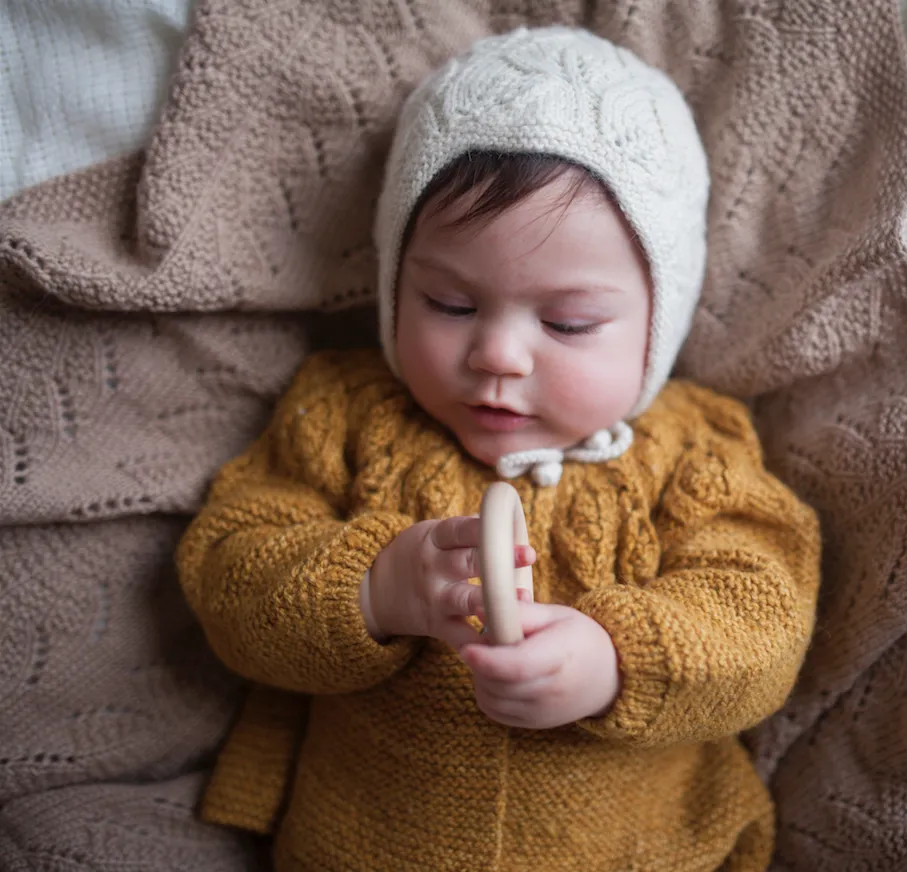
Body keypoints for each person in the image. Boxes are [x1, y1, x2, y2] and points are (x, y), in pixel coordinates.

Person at [176, 26, 821, 872]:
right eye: (448, 302)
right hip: (360, 841)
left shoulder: (696, 447)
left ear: (657, 324)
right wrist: (375, 588)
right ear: (393, 284)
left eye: (567, 323)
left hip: (641, 846)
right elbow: (229, 571)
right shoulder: (339, 412)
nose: (498, 356)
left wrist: (616, 658)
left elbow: (763, 615)